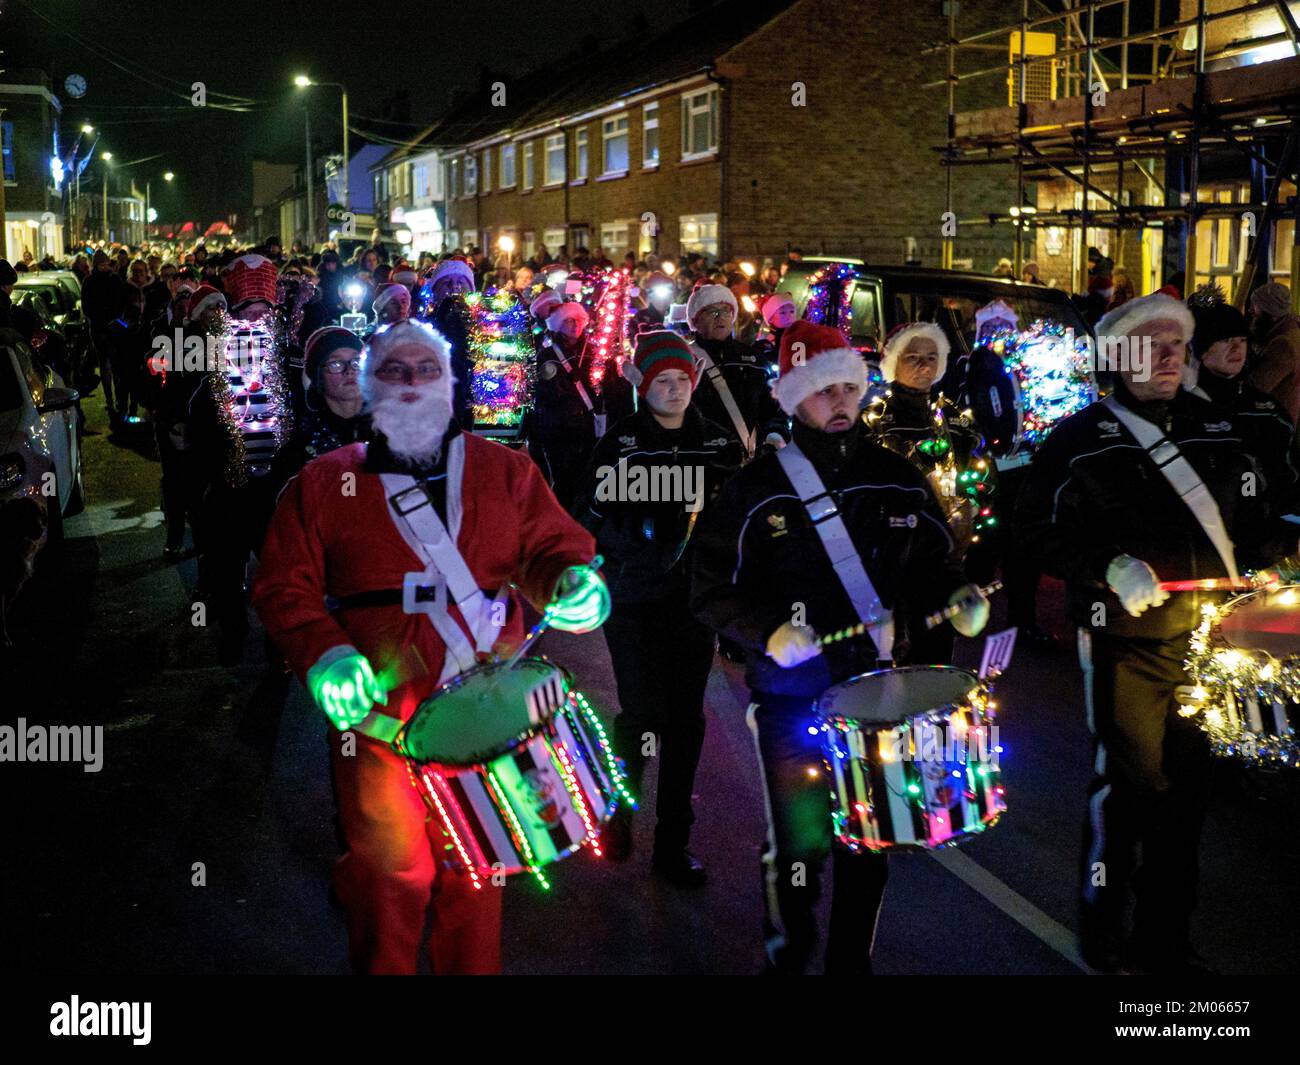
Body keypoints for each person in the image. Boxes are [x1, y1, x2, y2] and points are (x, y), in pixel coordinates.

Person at [251, 319, 607, 975]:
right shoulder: (325, 483)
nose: (411, 382)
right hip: (381, 728)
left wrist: (574, 582)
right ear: (368, 388)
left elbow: (553, 551)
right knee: (390, 888)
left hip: (488, 724)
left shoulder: (508, 470)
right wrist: (324, 652)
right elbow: (281, 586)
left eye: (425, 370)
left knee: (479, 882)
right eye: (393, 370)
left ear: (449, 384)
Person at [691, 320, 988, 974]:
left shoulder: (896, 476)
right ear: (794, 397)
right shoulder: (756, 487)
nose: (841, 402)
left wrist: (958, 593)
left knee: (869, 844)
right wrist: (767, 630)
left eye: (850, 388)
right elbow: (707, 584)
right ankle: (788, 960)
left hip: (878, 695)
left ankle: (851, 964)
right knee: (798, 850)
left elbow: (933, 562)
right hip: (792, 699)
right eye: (824, 391)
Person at [1015, 292, 1295, 974]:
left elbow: (1262, 517)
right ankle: (1102, 922)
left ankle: (1166, 939)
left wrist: (1283, 548)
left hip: (1211, 643)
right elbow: (1036, 531)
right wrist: (1107, 566)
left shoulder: (1217, 427)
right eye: (1153, 342)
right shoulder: (1078, 440)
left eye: (1178, 342)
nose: (1170, 354)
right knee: (1132, 787)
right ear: (1118, 355)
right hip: (1126, 640)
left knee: (1187, 798)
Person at [575, 331, 744, 886]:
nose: (674, 391)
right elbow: (589, 521)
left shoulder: (720, 448)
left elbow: (737, 530)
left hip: (693, 608)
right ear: (643, 386)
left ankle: (673, 842)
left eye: (682, 381)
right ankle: (620, 812)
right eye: (662, 382)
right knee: (641, 714)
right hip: (633, 603)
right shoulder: (619, 446)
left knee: (685, 722)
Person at [867, 322, 997, 658]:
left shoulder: (955, 418)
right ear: (892, 361)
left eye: (931, 356)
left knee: (937, 656)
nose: (924, 365)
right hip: (890, 561)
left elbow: (982, 477)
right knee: (892, 656)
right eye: (912, 357)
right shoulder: (874, 419)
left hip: (945, 557)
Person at [685, 282, 787, 457]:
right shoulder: (684, 360)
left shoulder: (754, 360)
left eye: (726, 310)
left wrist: (774, 436)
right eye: (711, 311)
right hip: (701, 463)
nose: (721, 317)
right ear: (695, 320)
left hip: (747, 463)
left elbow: (775, 410)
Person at [275, 326, 370, 479]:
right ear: (318, 377)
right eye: (336, 364)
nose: (349, 370)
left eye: (356, 361)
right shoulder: (297, 454)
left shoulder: (389, 435)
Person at [423, 258, 476, 428]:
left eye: (461, 282)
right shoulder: (425, 326)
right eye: (447, 282)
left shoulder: (485, 325)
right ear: (435, 290)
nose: (455, 287)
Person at [80, 250, 127, 415]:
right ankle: (111, 399)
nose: (104, 266)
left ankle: (117, 399)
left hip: (110, 327)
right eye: (102, 264)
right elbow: (87, 306)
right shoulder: (94, 281)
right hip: (102, 328)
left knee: (114, 365)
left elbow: (122, 301)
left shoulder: (112, 280)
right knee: (107, 365)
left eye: (106, 263)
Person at [1246, 282, 1300, 423]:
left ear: (1270, 311)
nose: (1250, 310)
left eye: (1255, 306)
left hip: (1272, 424)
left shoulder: (1283, 344)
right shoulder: (1287, 332)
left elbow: (1256, 387)